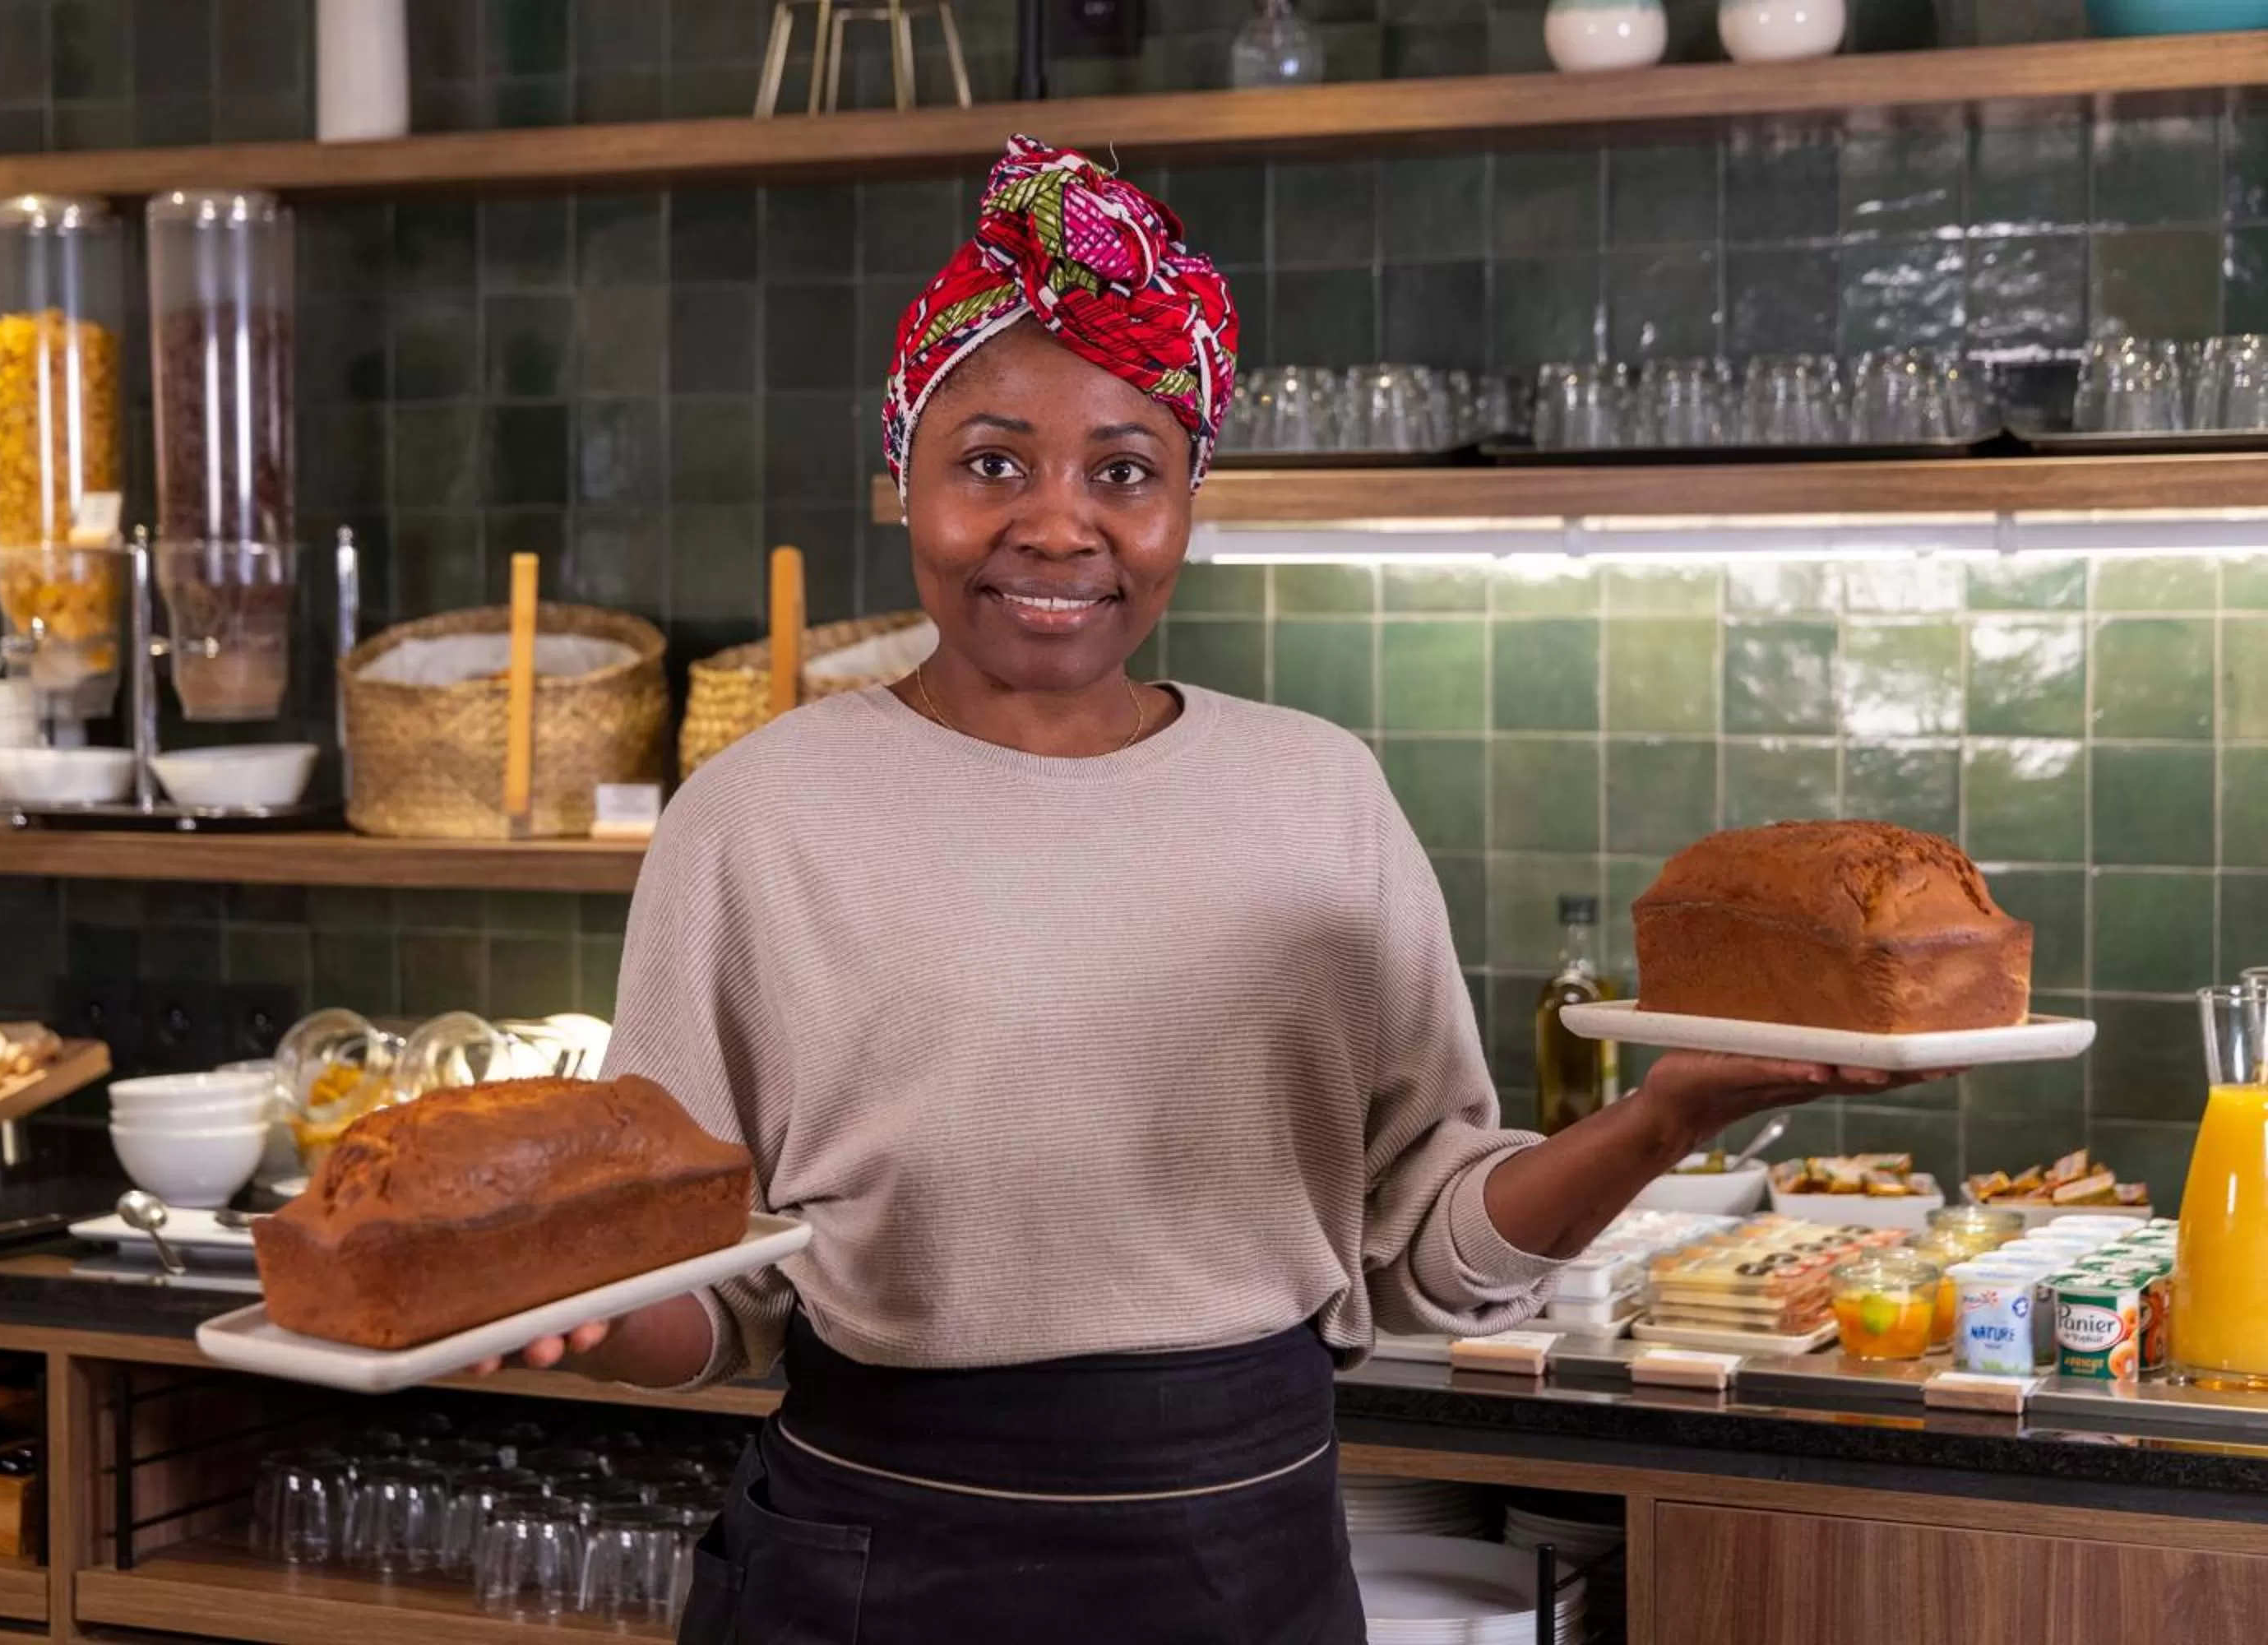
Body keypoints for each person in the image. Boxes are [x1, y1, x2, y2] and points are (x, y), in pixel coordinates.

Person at [486, 135, 1935, 1642]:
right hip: (879, 1560)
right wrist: (577, 1319)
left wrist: (1663, 1118)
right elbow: (705, 1305)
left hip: (1248, 1562)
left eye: (1126, 471)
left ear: (1190, 502)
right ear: (899, 481)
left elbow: (1431, 1250)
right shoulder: (754, 818)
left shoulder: (1319, 795)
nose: (1058, 525)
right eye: (991, 463)